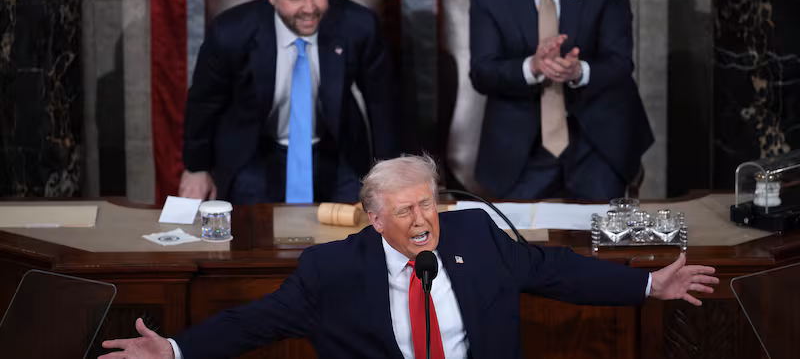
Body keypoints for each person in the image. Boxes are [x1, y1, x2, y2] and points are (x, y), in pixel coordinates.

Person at [101, 155, 718, 359]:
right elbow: (254, 322)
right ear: (374, 219)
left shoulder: (475, 237)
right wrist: (177, 350)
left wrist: (645, 288)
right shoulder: (333, 270)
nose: (423, 220)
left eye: (427, 204)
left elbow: (555, 270)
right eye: (404, 211)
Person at [179, 0, 399, 205]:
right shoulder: (230, 33)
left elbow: (383, 103)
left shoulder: (358, 25)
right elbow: (204, 103)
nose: (309, 8)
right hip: (255, 151)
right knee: (254, 238)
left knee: (356, 235)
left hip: (336, 149)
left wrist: (392, 172)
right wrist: (196, 167)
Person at [469, 0, 654, 201]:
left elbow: (620, 63)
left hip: (597, 138)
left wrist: (577, 71)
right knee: (513, 240)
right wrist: (532, 67)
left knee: (603, 240)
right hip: (522, 144)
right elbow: (482, 73)